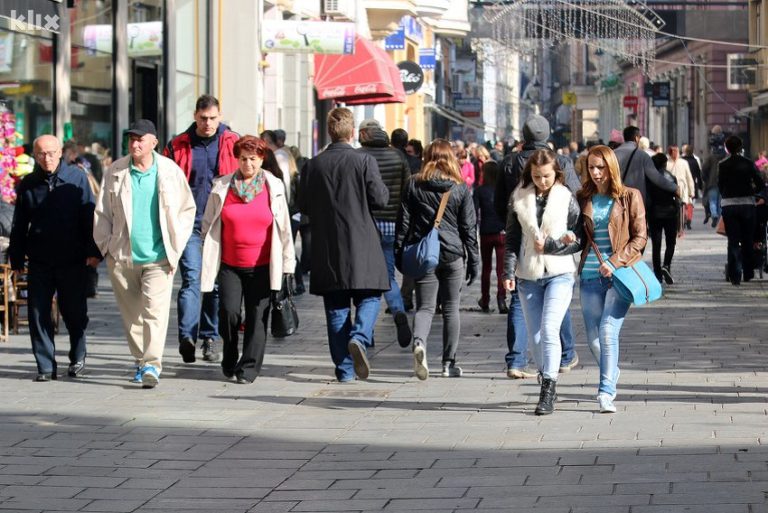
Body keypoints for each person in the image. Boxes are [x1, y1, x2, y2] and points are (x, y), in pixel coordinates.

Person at [94, 119, 196, 388]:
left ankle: (152, 363)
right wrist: (107, 248)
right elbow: (102, 213)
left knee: (155, 312)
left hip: (159, 258)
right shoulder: (116, 170)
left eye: (141, 139)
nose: (135, 143)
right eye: (131, 139)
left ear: (154, 142)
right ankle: (141, 360)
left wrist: (176, 247)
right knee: (131, 317)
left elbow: (187, 210)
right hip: (122, 257)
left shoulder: (169, 171)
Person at [298, 108, 389, 382]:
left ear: (329, 132)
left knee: (336, 308)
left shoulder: (313, 165)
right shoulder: (363, 161)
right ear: (352, 133)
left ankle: (345, 370)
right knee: (371, 296)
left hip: (327, 245)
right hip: (362, 242)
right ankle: (360, 336)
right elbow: (380, 199)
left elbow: (303, 205)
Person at [199, 135, 295, 383]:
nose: (248, 164)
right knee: (229, 313)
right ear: (236, 159)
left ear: (262, 158)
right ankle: (229, 355)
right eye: (243, 159)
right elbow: (208, 224)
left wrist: (287, 265)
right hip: (230, 265)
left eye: (253, 159)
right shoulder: (221, 187)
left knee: (256, 318)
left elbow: (284, 229)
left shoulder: (273, 187)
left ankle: (249, 368)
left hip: (263, 266)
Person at [495, 115, 580, 379]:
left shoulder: (508, 162)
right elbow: (575, 201)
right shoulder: (562, 161)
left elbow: (500, 202)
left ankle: (516, 360)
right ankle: (565, 356)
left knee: (522, 306)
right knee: (551, 310)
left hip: (526, 246)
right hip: (543, 247)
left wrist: (515, 228)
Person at [9, 135, 101, 381]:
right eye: (40, 154)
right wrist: (16, 258)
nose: (46, 158)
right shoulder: (28, 184)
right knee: (38, 312)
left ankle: (78, 355)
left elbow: (89, 217)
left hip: (72, 257)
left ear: (61, 153)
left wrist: (94, 252)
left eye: (51, 153)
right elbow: (19, 224)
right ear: (35, 156)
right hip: (39, 258)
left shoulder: (77, 178)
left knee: (74, 312)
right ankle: (45, 366)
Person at [503, 149, 582, 415]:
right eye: (536, 176)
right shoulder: (519, 197)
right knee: (536, 335)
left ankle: (548, 386)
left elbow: (577, 238)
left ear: (556, 173)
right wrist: (507, 273)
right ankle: (544, 372)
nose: (542, 181)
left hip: (560, 273)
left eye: (546, 176)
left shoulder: (566, 198)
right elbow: (512, 240)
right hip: (528, 275)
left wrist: (552, 245)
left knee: (549, 329)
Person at [395, 139, 479, 380]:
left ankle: (419, 343)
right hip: (453, 255)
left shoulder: (413, 184)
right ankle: (448, 363)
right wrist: (474, 261)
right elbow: (469, 228)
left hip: (425, 256)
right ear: (451, 158)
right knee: (451, 308)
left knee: (425, 307)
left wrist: (401, 253)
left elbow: (404, 223)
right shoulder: (460, 188)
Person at [163, 94, 238, 364]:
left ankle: (209, 337)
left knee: (214, 284)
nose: (208, 123)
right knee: (193, 280)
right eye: (204, 118)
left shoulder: (232, 143)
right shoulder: (178, 145)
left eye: (213, 118)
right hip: (189, 224)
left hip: (221, 224)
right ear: (195, 116)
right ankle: (187, 337)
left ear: (220, 116)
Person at [577, 145, 647, 413]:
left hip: (619, 275)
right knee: (594, 340)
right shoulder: (583, 197)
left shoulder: (630, 197)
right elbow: (578, 236)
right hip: (589, 276)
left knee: (608, 332)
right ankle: (612, 370)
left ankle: (605, 391)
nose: (595, 173)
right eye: (591, 168)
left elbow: (640, 237)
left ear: (611, 167)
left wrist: (615, 261)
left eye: (600, 167)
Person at [358, 119, 412, 348]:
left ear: (364, 135)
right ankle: (398, 309)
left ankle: (366, 332)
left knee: (364, 278)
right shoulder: (398, 156)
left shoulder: (358, 156)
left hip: (365, 224)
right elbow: (407, 190)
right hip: (391, 223)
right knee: (388, 275)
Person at [719, 136, 764, 285]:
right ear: (740, 147)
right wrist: (753, 192)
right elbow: (760, 183)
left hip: (729, 205)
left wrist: (726, 194)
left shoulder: (723, 164)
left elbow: (720, 185)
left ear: (727, 148)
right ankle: (748, 272)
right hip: (747, 204)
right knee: (747, 239)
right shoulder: (749, 163)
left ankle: (735, 275)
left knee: (732, 240)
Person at [474, 161, 507, 314]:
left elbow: (474, 212)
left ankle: (485, 299)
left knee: (486, 268)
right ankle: (501, 299)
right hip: (501, 232)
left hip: (486, 232)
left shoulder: (480, 191)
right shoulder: (503, 190)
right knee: (502, 269)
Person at [614, 126, 677, 206]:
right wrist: (674, 188)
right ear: (636, 138)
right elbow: (656, 177)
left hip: (617, 199)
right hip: (637, 201)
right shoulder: (642, 155)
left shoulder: (613, 154)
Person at [648, 153, 680, 284]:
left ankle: (657, 273)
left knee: (656, 244)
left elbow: (647, 197)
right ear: (665, 164)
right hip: (670, 213)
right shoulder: (671, 177)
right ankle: (666, 265)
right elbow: (676, 195)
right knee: (671, 242)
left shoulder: (649, 179)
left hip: (654, 213)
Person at [666, 145, 695, 230]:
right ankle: (673, 226)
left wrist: (691, 191)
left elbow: (689, 177)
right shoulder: (667, 163)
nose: (675, 153)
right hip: (670, 189)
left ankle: (680, 228)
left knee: (681, 208)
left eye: (677, 151)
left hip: (682, 188)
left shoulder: (683, 162)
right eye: (673, 151)